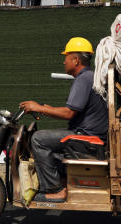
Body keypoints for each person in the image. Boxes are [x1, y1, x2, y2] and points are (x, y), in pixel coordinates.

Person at [20, 37, 108, 202]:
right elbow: (74, 110)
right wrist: (46, 109)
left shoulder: (84, 79)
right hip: (90, 135)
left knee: (38, 139)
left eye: (66, 57)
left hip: (88, 137)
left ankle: (55, 190)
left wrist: (39, 108)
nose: (63, 62)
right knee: (50, 138)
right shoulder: (89, 77)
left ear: (75, 60)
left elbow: (68, 113)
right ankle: (62, 179)